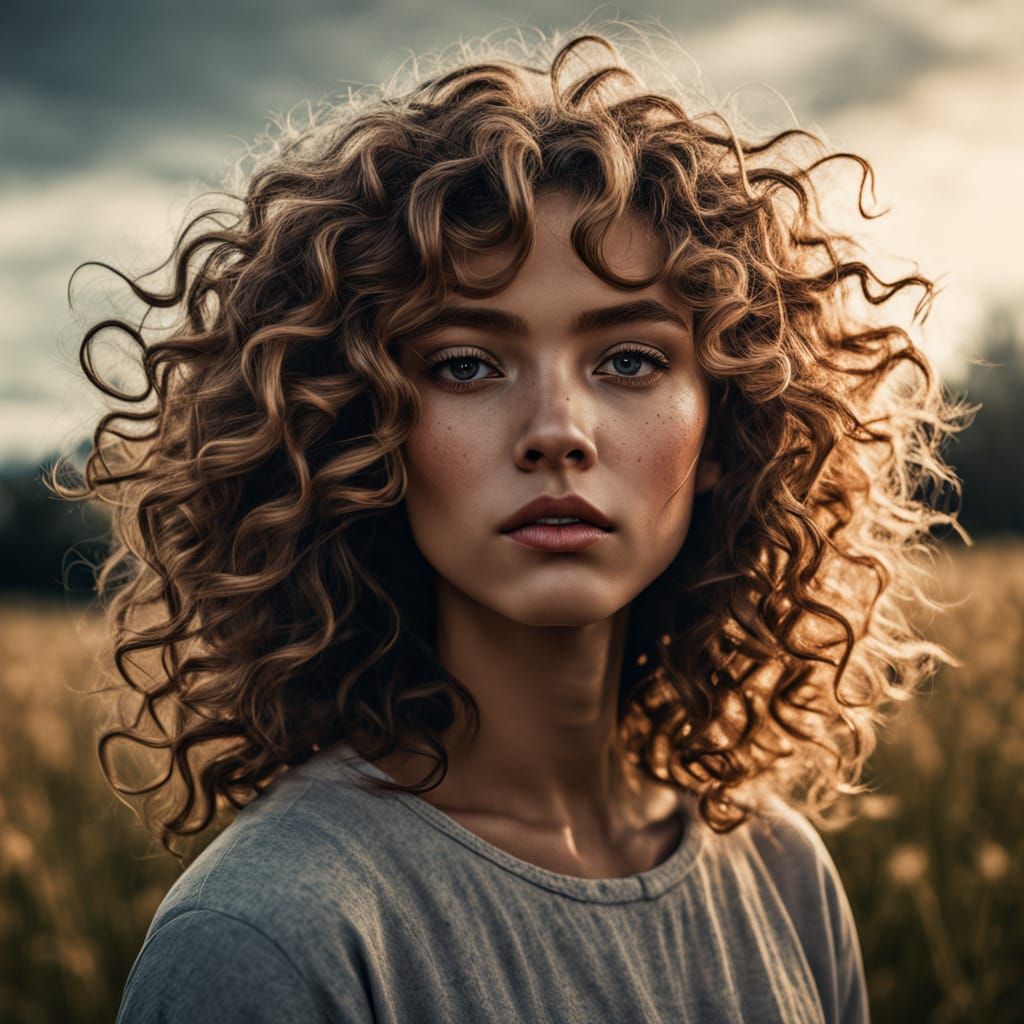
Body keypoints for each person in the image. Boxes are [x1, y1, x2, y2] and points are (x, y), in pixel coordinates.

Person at [49, 21, 964, 1024]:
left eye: (628, 361)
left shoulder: (783, 875)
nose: (557, 433)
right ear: (360, 431)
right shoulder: (270, 936)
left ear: (726, 427)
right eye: (466, 365)